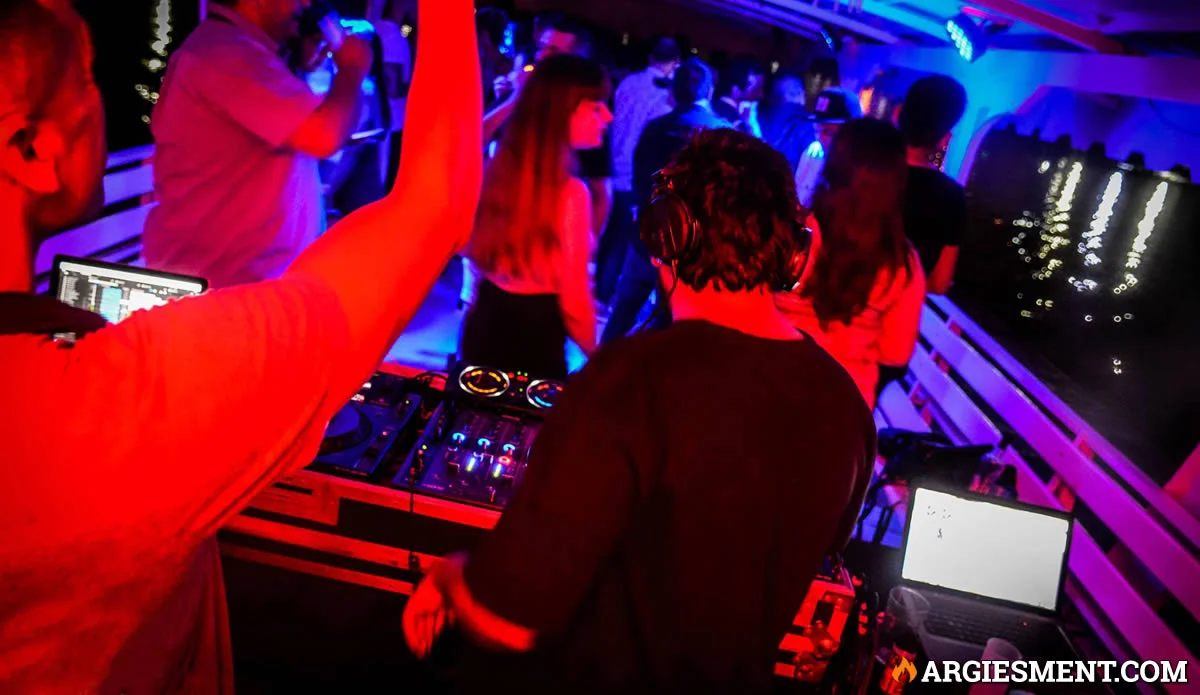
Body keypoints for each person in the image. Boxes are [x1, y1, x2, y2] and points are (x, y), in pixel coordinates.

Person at [0, 1, 481, 692]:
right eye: (87, 76)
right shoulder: (99, 412)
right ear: (32, 150)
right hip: (225, 314)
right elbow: (435, 205)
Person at [404, 129, 875, 693]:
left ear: (665, 236)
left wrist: (452, 576)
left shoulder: (629, 379)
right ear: (793, 251)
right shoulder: (846, 406)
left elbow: (507, 619)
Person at [141, 0, 372, 289]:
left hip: (245, 285)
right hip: (225, 294)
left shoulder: (237, 51)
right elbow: (324, 136)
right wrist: (352, 68)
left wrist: (304, 69)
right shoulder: (226, 54)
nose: (304, 3)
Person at [459, 54, 612, 379]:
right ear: (563, 111)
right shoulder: (571, 193)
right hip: (534, 344)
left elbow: (466, 246)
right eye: (596, 106)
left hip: (482, 323)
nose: (608, 117)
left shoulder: (499, 171)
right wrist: (601, 362)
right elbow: (574, 305)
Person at [465, 13, 612, 310]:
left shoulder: (584, 118)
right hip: (493, 235)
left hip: (540, 256)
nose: (542, 56)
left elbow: (600, 190)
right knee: (477, 312)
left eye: (554, 51)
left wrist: (582, 252)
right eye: (542, 47)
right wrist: (516, 97)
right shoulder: (521, 92)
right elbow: (474, 139)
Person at [776, 118, 926, 408]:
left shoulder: (789, 232)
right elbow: (895, 354)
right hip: (844, 407)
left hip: (768, 383)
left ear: (835, 165)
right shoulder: (902, 263)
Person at [600, 57, 731, 343]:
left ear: (674, 91)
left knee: (623, 311)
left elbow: (639, 176)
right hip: (689, 248)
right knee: (667, 322)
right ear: (709, 92)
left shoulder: (657, 128)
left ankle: (597, 370)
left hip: (648, 236)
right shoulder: (723, 133)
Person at [595, 36, 680, 305]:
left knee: (608, 234)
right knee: (622, 240)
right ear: (674, 64)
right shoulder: (663, 96)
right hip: (633, 171)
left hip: (610, 163)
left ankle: (596, 288)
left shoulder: (629, 82)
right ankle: (602, 296)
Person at [899, 74, 968, 295]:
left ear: (898, 113)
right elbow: (939, 283)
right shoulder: (951, 196)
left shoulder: (860, 166)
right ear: (945, 138)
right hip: (888, 319)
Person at [794, 87, 863, 207]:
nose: (820, 139)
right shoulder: (813, 151)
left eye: (828, 132)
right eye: (817, 131)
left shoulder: (861, 171)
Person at [374, 0, 414, 188]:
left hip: (382, 121)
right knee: (386, 184)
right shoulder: (392, 35)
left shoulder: (377, 29)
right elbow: (391, 84)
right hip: (391, 122)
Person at [757, 70, 817, 171]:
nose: (802, 97)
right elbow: (815, 159)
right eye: (795, 92)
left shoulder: (755, 117)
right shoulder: (805, 122)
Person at [711, 56, 764, 137]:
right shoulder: (735, 124)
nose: (761, 95)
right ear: (736, 90)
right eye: (755, 89)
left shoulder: (712, 105)